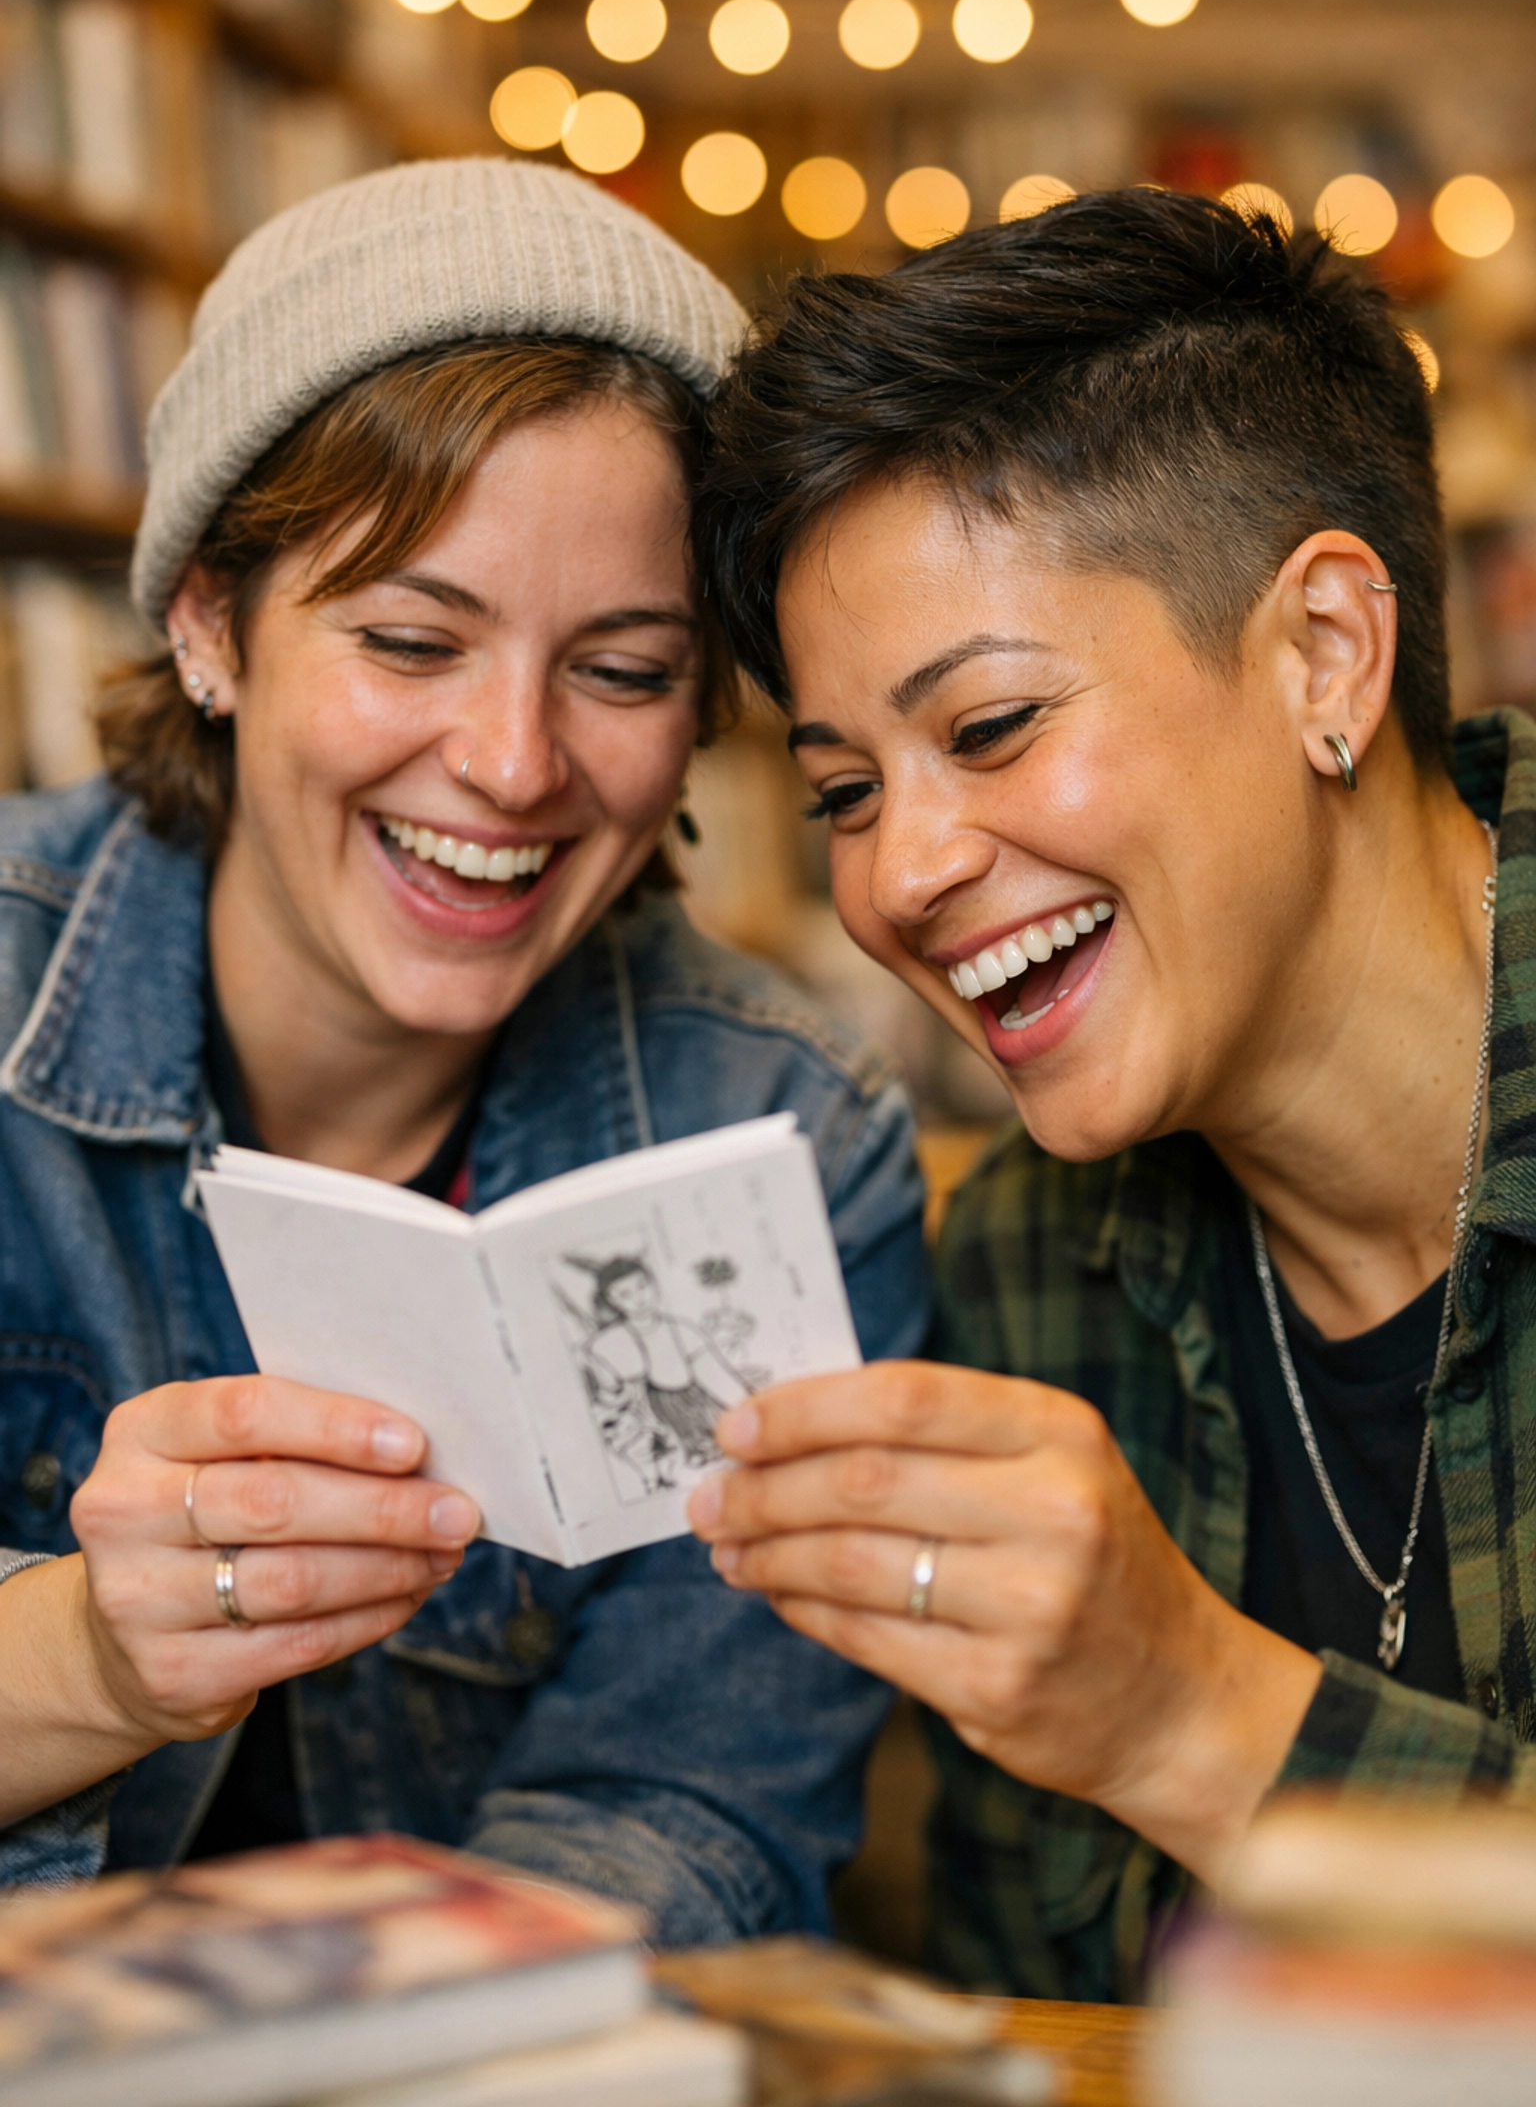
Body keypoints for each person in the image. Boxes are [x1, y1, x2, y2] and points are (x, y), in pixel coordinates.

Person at [0, 157, 928, 1932]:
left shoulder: (785, 1134)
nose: (512, 765)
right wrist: (103, 1659)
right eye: (414, 639)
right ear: (209, 620)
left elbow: (689, 1809)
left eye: (627, 672)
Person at [687, 187, 1536, 2000]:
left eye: (988, 729)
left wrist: (1188, 1711)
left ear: (1324, 651)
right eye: (843, 791)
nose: (900, 872)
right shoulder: (1021, 1275)